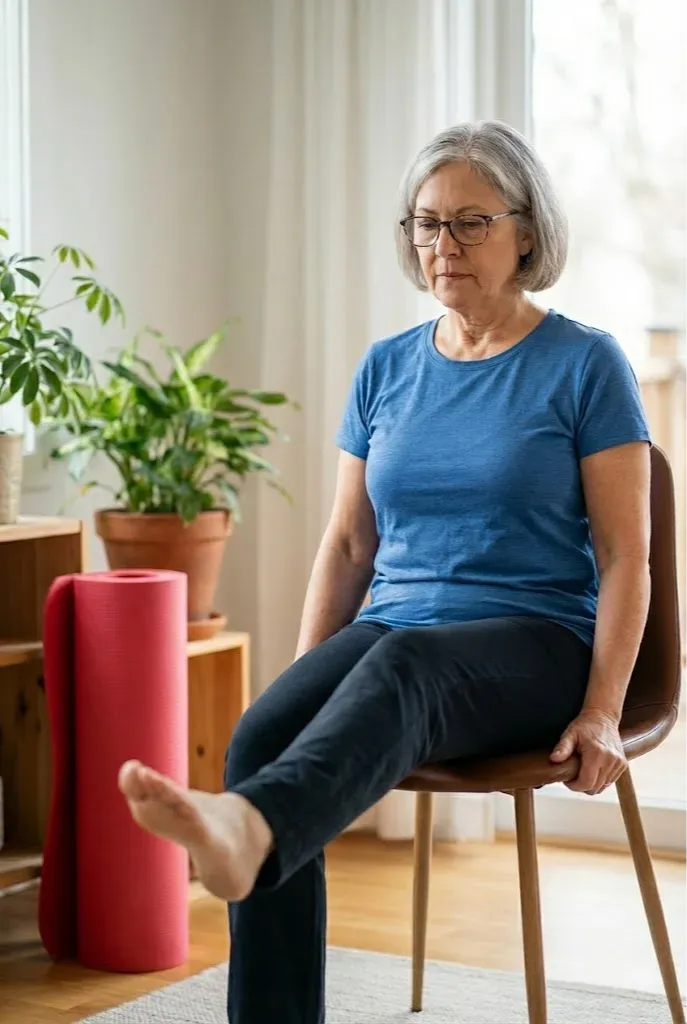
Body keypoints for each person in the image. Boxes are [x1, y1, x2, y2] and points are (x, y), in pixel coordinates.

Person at [118, 120, 652, 1024]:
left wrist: (603, 705)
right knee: (261, 739)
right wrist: (304, 681)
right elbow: (347, 546)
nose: (443, 245)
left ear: (527, 230)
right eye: (425, 223)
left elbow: (625, 554)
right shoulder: (386, 369)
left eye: (470, 222)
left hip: (535, 640)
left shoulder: (583, 363)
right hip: (397, 627)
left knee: (404, 667)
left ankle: (250, 827)